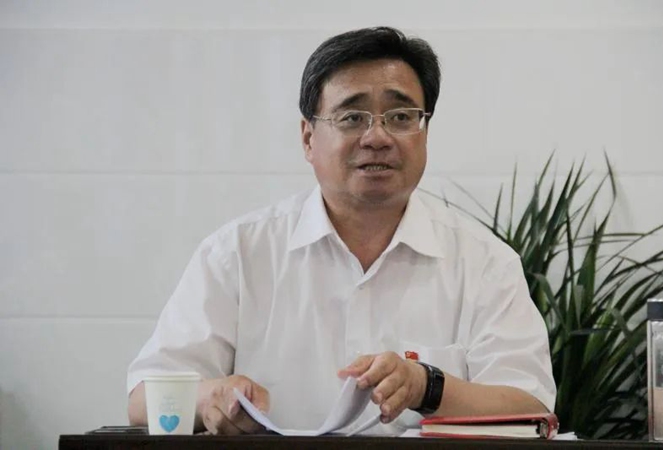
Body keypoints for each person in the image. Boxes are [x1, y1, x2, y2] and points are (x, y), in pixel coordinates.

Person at [127, 26, 556, 436]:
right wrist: (210, 398)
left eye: (401, 116)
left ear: (425, 133)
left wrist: (427, 387)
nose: (378, 137)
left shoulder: (484, 263)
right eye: (352, 117)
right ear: (308, 138)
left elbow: (531, 409)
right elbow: (145, 398)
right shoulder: (237, 253)